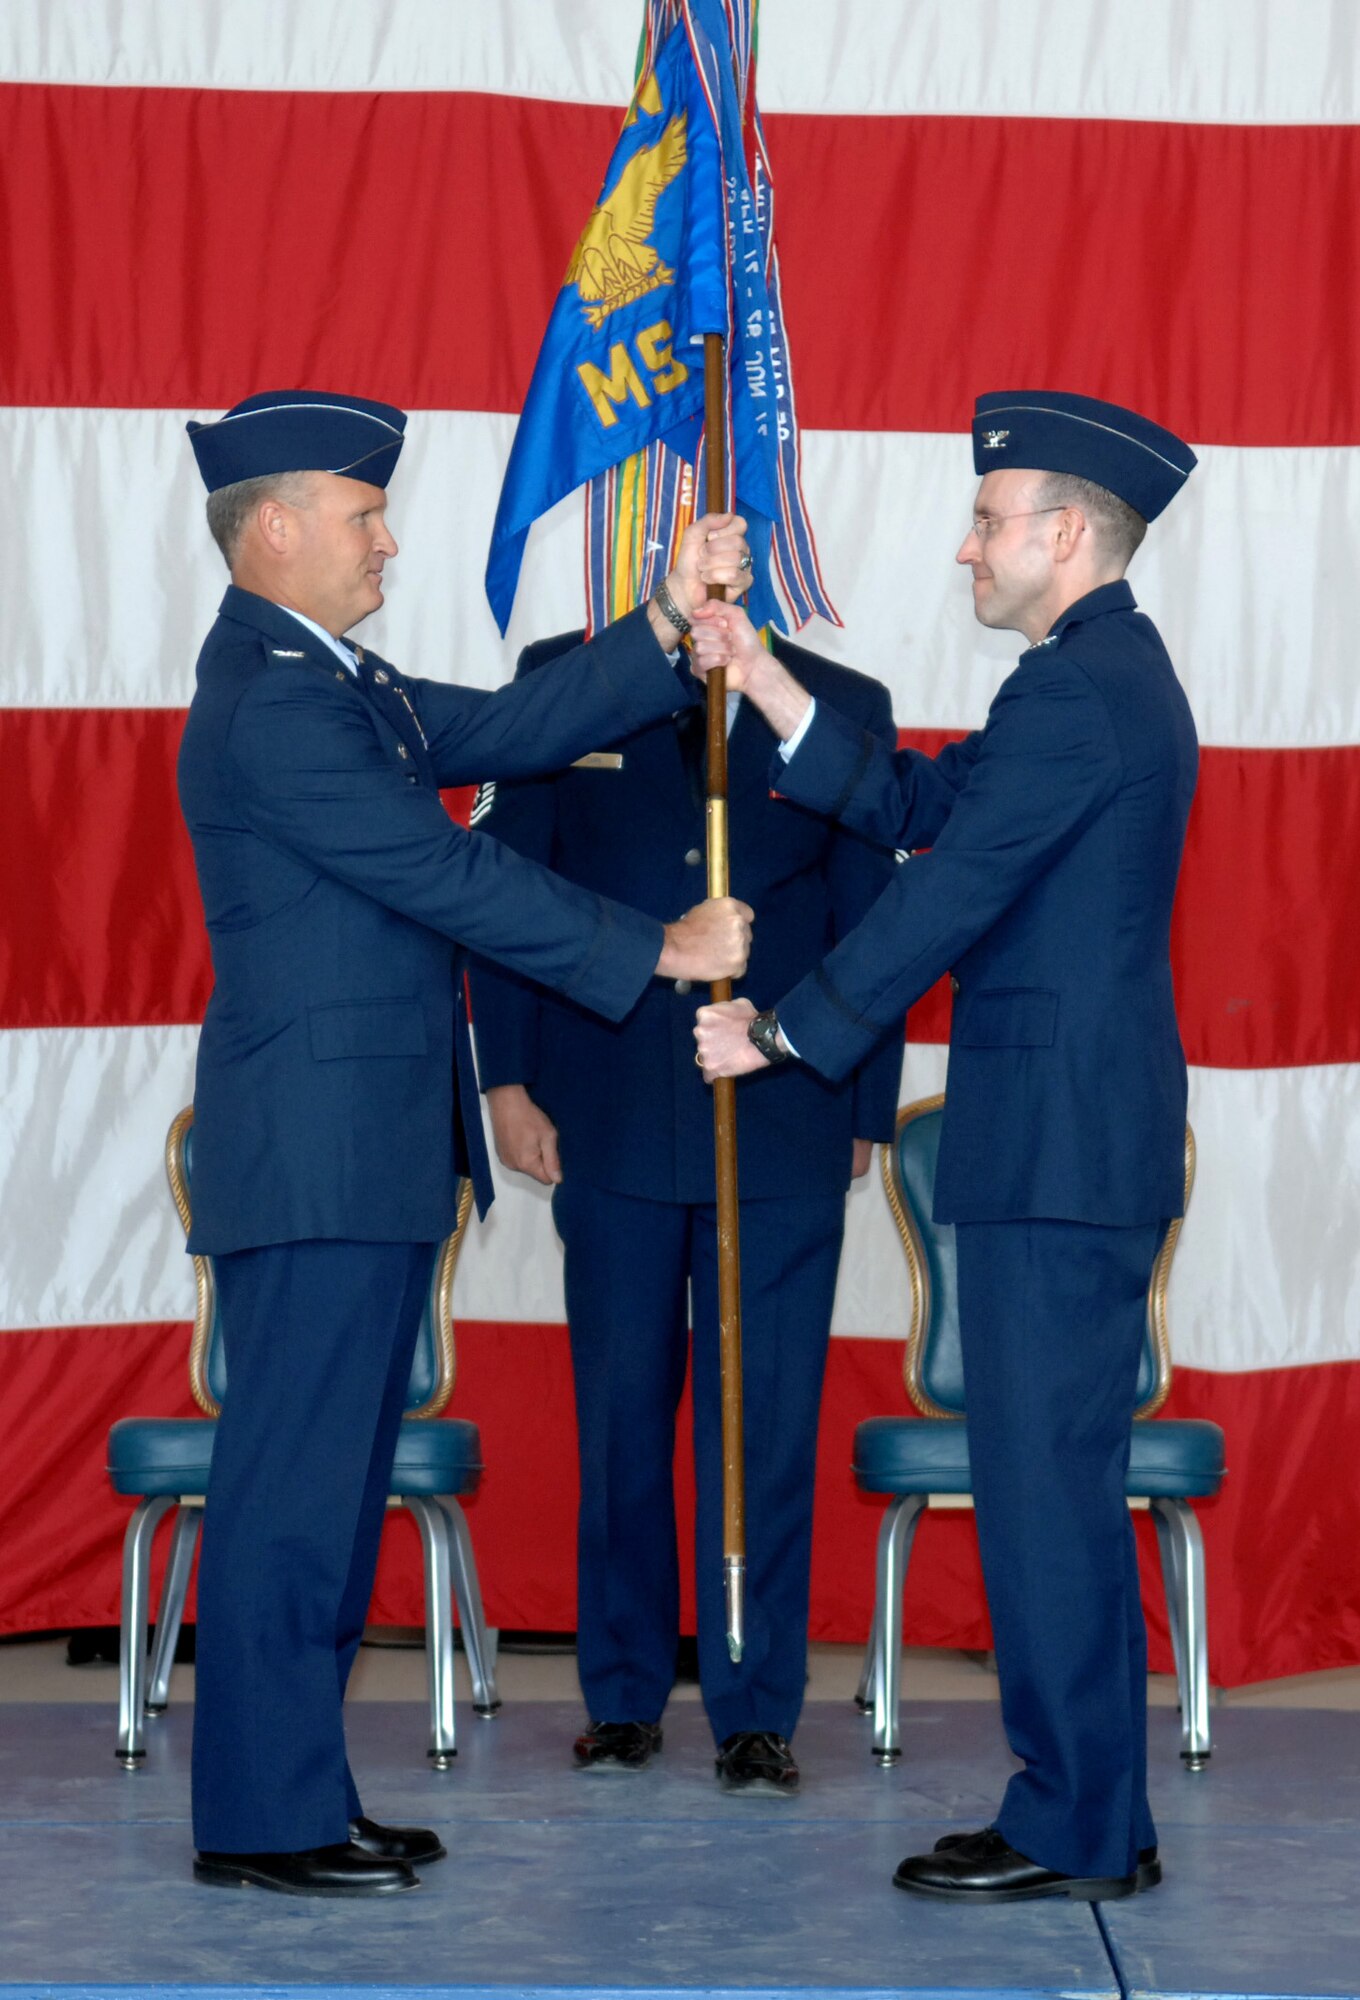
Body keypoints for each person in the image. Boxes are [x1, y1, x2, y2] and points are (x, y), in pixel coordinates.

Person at [178, 389, 754, 1897]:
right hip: (315, 1159)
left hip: (355, 1155)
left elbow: (513, 726)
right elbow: (450, 875)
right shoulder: (279, 698)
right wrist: (662, 950)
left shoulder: (334, 679)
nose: (386, 542)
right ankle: (260, 1819)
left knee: (326, 1490)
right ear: (281, 526)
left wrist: (658, 616)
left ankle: (297, 1795)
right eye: (364, 519)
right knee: (291, 1497)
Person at [691, 390, 1198, 1901]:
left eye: (988, 521)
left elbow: (944, 891)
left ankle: (1071, 1828)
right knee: (1056, 1483)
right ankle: (1102, 1809)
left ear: (1063, 534)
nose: (966, 547)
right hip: (1067, 1145)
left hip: (1058, 1150)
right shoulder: (1087, 676)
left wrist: (785, 1031)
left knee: (1044, 1491)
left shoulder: (1080, 690)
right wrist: (769, 684)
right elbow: (917, 799)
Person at [468, 617, 901, 1794]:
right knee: (617, 1417)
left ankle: (754, 1703)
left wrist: (862, 1100)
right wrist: (503, 1077)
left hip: (781, 1115)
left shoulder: (836, 698)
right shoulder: (563, 684)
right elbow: (511, 886)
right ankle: (621, 1693)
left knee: (760, 1424)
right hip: (600, 1108)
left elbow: (875, 918)